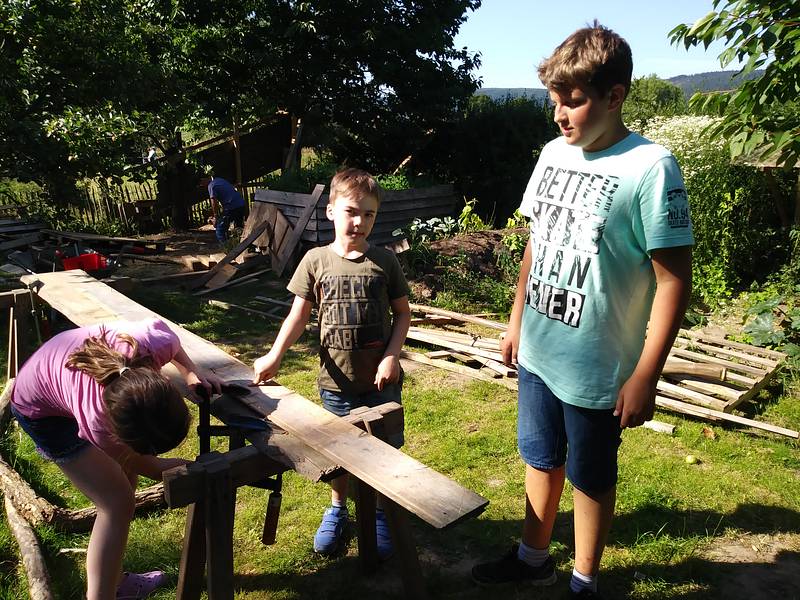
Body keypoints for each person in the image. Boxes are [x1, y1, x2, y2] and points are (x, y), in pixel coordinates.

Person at [471, 22, 693, 599]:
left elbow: (673, 281)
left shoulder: (652, 167)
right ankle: (532, 557)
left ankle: (583, 580)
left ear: (614, 96)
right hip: (541, 349)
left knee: (589, 478)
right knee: (540, 456)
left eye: (573, 101)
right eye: (554, 101)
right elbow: (536, 242)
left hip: (598, 364)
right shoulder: (551, 153)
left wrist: (646, 374)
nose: (559, 115)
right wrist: (517, 320)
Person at [252, 168, 411, 558]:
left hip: (380, 383)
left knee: (383, 451)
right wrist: (274, 356)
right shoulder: (314, 260)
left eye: (369, 214)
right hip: (335, 384)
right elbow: (298, 316)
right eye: (351, 211)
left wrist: (391, 357)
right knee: (338, 454)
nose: (359, 221)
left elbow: (403, 315)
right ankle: (339, 509)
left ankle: (377, 513)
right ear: (331, 211)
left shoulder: (385, 262)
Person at [10, 318, 223, 600]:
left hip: (54, 373)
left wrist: (190, 372)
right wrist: (194, 468)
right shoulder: (97, 420)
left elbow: (175, 349)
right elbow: (152, 468)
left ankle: (113, 579)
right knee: (116, 502)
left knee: (124, 484)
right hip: (40, 412)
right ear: (118, 432)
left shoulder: (154, 342)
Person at [205, 175, 246, 243]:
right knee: (239, 229)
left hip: (231, 207)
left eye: (201, 183)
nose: (202, 185)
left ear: (204, 179)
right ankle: (242, 245)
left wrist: (215, 217)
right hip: (241, 204)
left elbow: (214, 202)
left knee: (220, 230)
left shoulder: (211, 185)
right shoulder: (219, 179)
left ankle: (228, 249)